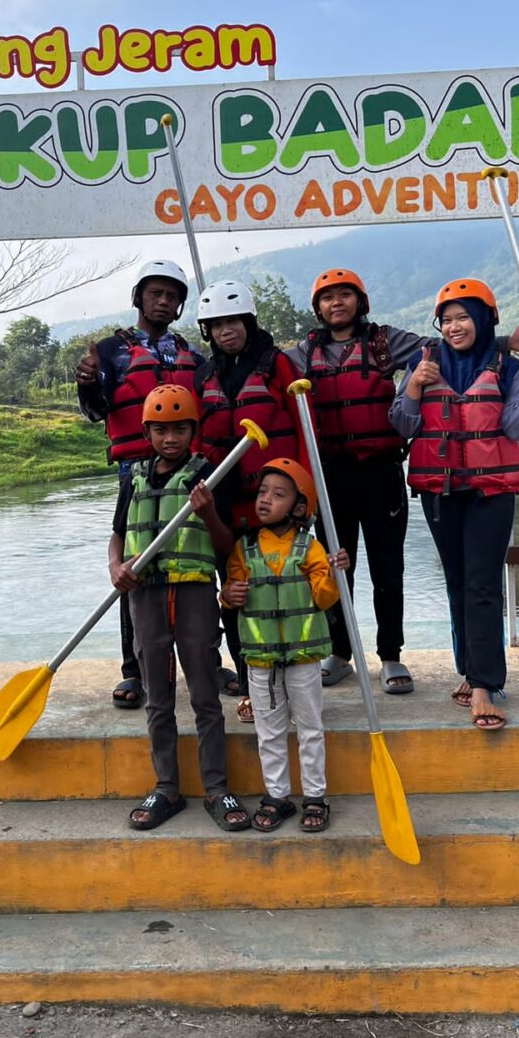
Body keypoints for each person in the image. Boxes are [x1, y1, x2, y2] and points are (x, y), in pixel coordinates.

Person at [289, 267, 519, 696]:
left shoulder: (386, 342)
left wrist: (503, 344)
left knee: (389, 567)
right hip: (331, 473)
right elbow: (272, 371)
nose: (336, 303)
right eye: (327, 297)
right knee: (334, 565)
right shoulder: (302, 353)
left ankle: (391, 654)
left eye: (345, 295)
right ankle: (339, 651)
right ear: (317, 307)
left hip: (382, 469)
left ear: (360, 301)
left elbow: (450, 345)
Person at [389, 278, 519, 731]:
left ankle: (484, 684)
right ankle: (469, 667)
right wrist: (416, 389)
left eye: (463, 317)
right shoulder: (423, 364)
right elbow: (403, 425)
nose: (454, 326)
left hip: (490, 493)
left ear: (482, 320)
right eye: (446, 320)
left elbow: (515, 428)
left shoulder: (506, 368)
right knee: (457, 583)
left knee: (481, 584)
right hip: (440, 493)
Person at [76, 260, 231, 710]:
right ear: (139, 298)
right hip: (137, 473)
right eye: (155, 293)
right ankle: (135, 671)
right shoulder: (112, 351)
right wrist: (87, 384)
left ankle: (208, 658)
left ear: (180, 304)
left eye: (171, 295)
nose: (162, 301)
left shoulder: (192, 354)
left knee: (197, 567)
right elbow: (96, 406)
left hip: (191, 471)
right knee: (135, 570)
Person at [109, 383, 251, 831]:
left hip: (193, 594)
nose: (170, 438)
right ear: (147, 431)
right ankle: (166, 787)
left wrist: (208, 512)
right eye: (161, 430)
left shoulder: (208, 475)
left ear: (193, 429)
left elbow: (227, 545)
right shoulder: (132, 478)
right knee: (158, 698)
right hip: (145, 595)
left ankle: (216, 788)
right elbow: (117, 533)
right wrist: (116, 566)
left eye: (180, 429)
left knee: (206, 696)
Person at [195, 279, 312, 724]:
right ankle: (251, 682)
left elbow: (303, 428)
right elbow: (200, 437)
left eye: (234, 321)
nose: (227, 331)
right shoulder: (204, 375)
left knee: (283, 591)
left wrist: (307, 493)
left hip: (276, 499)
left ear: (248, 322)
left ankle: (290, 682)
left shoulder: (276, 364)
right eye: (217, 324)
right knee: (238, 595)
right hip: (227, 503)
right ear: (208, 331)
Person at [221, 458, 349, 833]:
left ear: (298, 507)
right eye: (262, 492)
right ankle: (277, 795)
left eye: (278, 494)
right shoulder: (244, 550)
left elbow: (324, 599)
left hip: (303, 658)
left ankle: (314, 796)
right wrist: (229, 594)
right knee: (269, 730)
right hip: (260, 662)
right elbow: (229, 597)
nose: (265, 500)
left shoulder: (310, 549)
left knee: (310, 727)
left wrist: (335, 573)